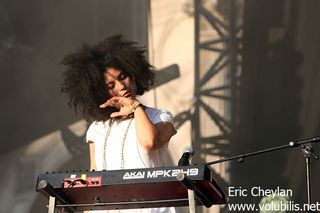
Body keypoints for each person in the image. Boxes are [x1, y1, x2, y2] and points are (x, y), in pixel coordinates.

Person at [61, 35, 177, 213]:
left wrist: (135, 107)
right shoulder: (97, 130)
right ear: (101, 92)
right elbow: (94, 176)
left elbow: (150, 142)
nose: (121, 86)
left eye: (123, 77)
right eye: (111, 85)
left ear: (133, 75)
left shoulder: (160, 116)